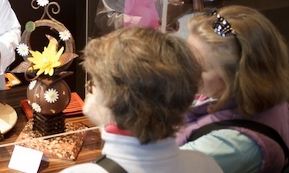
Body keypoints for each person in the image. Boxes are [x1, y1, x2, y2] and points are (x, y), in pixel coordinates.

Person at [62, 27, 221, 173]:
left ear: (112, 102)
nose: (92, 93)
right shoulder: (206, 165)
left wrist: (108, 122)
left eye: (94, 85)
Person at [176, 5, 289, 173]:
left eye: (198, 66)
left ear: (234, 80)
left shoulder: (231, 146)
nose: (183, 68)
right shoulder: (262, 87)